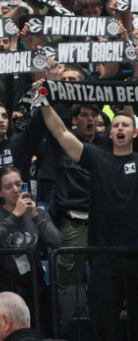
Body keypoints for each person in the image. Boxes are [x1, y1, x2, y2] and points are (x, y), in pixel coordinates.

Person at [39, 88, 138, 340]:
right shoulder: (96, 157)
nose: (120, 128)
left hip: (136, 257)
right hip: (103, 259)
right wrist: (42, 98)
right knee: (104, 330)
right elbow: (60, 132)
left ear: (134, 132)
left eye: (126, 124)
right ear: (109, 131)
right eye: (115, 124)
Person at [0, 167, 60, 328]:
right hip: (4, 283)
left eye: (19, 184)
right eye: (8, 186)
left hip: (33, 283)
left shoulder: (38, 212)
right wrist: (15, 214)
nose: (15, 190)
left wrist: (35, 216)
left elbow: (56, 241)